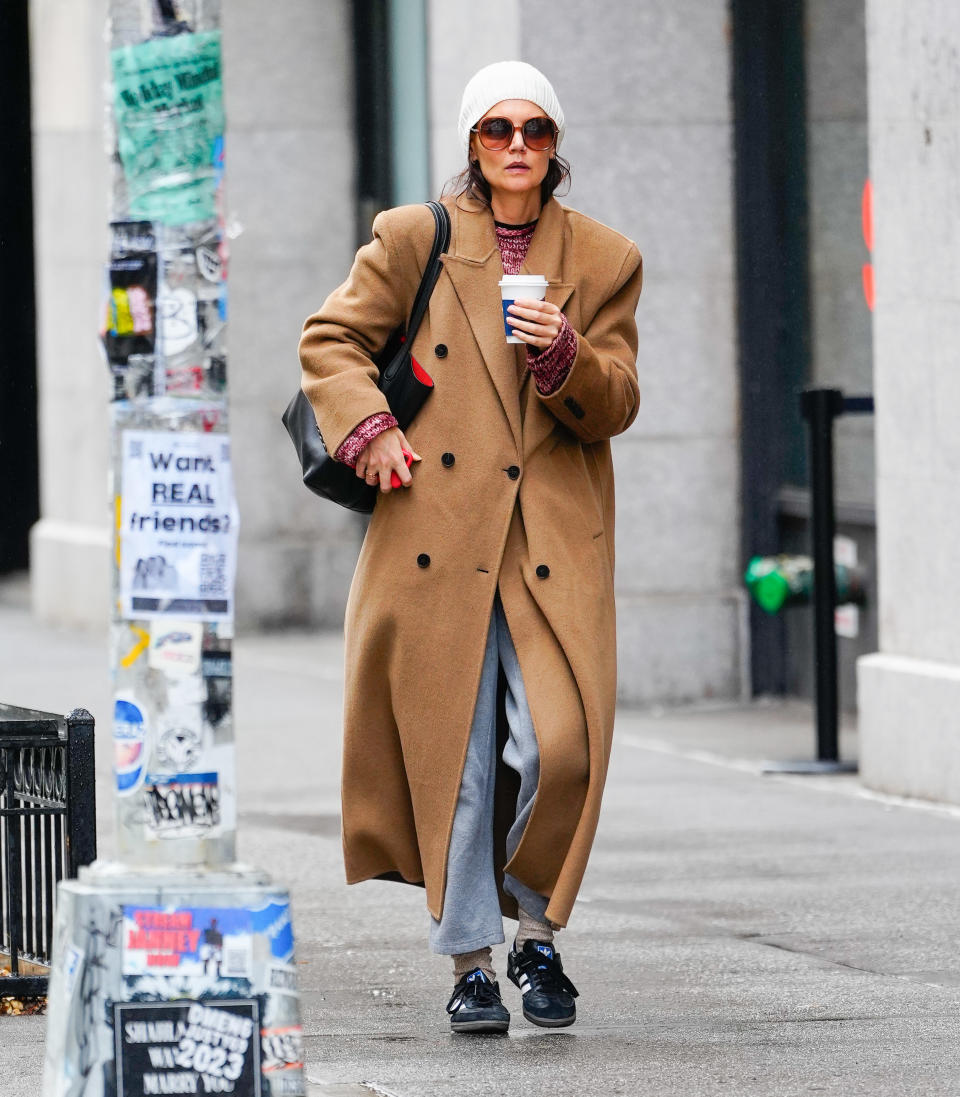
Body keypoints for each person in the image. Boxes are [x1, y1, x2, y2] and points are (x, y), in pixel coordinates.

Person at [298, 61, 642, 1034]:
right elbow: (331, 340)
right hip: (436, 535)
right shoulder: (418, 238)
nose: (518, 145)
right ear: (472, 143)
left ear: (556, 141)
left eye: (535, 127)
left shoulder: (607, 258)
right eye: (497, 129)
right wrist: (366, 426)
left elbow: (615, 400)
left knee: (558, 747)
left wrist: (563, 354)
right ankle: (476, 960)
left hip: (549, 543)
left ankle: (534, 922)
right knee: (454, 758)